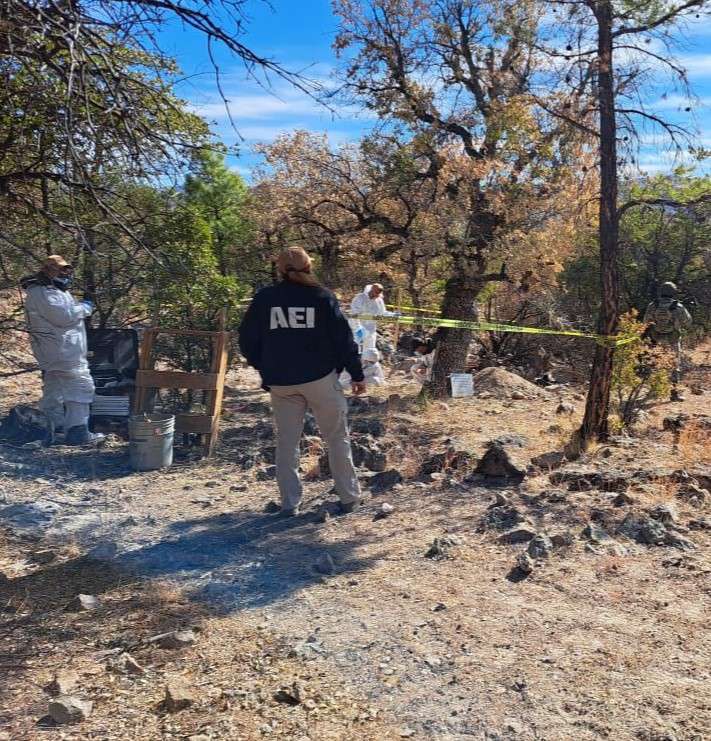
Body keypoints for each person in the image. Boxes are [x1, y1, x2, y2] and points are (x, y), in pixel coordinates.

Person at [239, 247, 365, 517]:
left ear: (280, 270)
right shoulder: (322, 297)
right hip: (320, 379)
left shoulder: (265, 298)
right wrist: (356, 373)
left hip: (281, 383)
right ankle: (349, 497)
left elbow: (247, 341)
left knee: (286, 443)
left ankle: (289, 504)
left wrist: (265, 368)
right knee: (336, 438)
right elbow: (344, 340)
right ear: (309, 266)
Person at [21, 255, 104, 445]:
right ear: (48, 271)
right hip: (63, 352)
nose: (65, 273)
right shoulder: (44, 292)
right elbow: (63, 316)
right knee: (81, 386)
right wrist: (85, 307)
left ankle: (53, 429)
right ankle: (78, 433)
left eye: (67, 270)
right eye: (61, 270)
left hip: (56, 351)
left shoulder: (51, 291)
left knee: (54, 389)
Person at [643, 281, 692, 402]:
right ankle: (674, 394)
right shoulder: (678, 306)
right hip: (673, 340)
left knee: (655, 364)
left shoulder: (653, 305)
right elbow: (688, 322)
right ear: (673, 292)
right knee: (674, 366)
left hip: (656, 338)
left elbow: (645, 322)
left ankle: (654, 390)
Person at [350, 283, 397, 352]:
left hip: (371, 330)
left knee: (370, 352)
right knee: (356, 350)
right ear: (372, 290)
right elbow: (354, 314)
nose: (377, 295)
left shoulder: (379, 300)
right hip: (358, 329)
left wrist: (394, 315)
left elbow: (382, 313)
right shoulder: (360, 298)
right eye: (376, 293)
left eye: (379, 293)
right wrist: (357, 328)